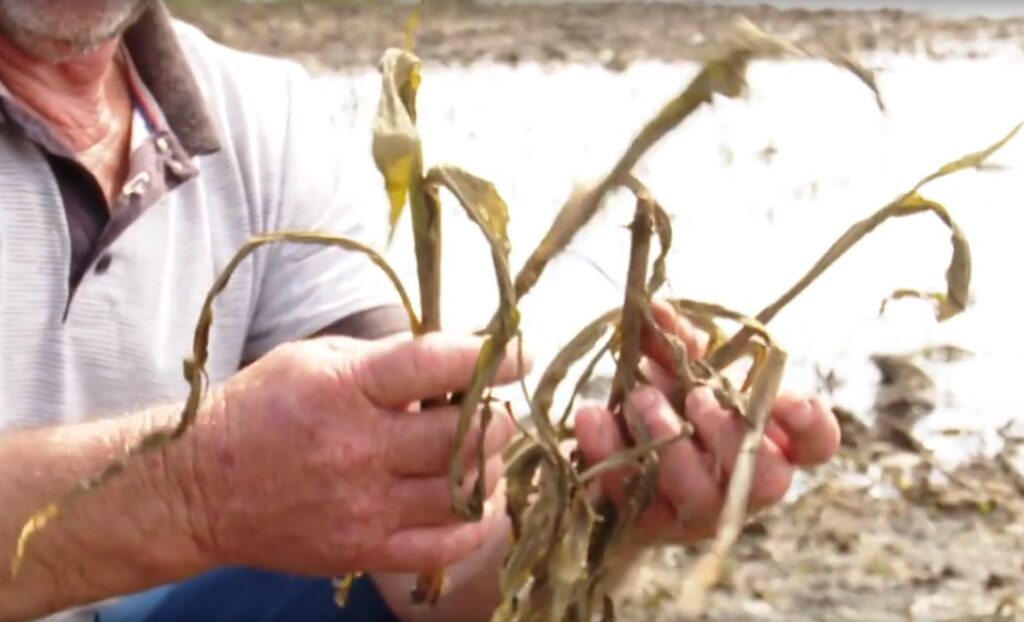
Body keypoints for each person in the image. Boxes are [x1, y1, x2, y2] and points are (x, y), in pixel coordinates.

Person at [0, 2, 841, 621]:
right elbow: (220, 491)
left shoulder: (264, 119)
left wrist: (597, 511)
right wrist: (192, 491)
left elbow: (415, 576)